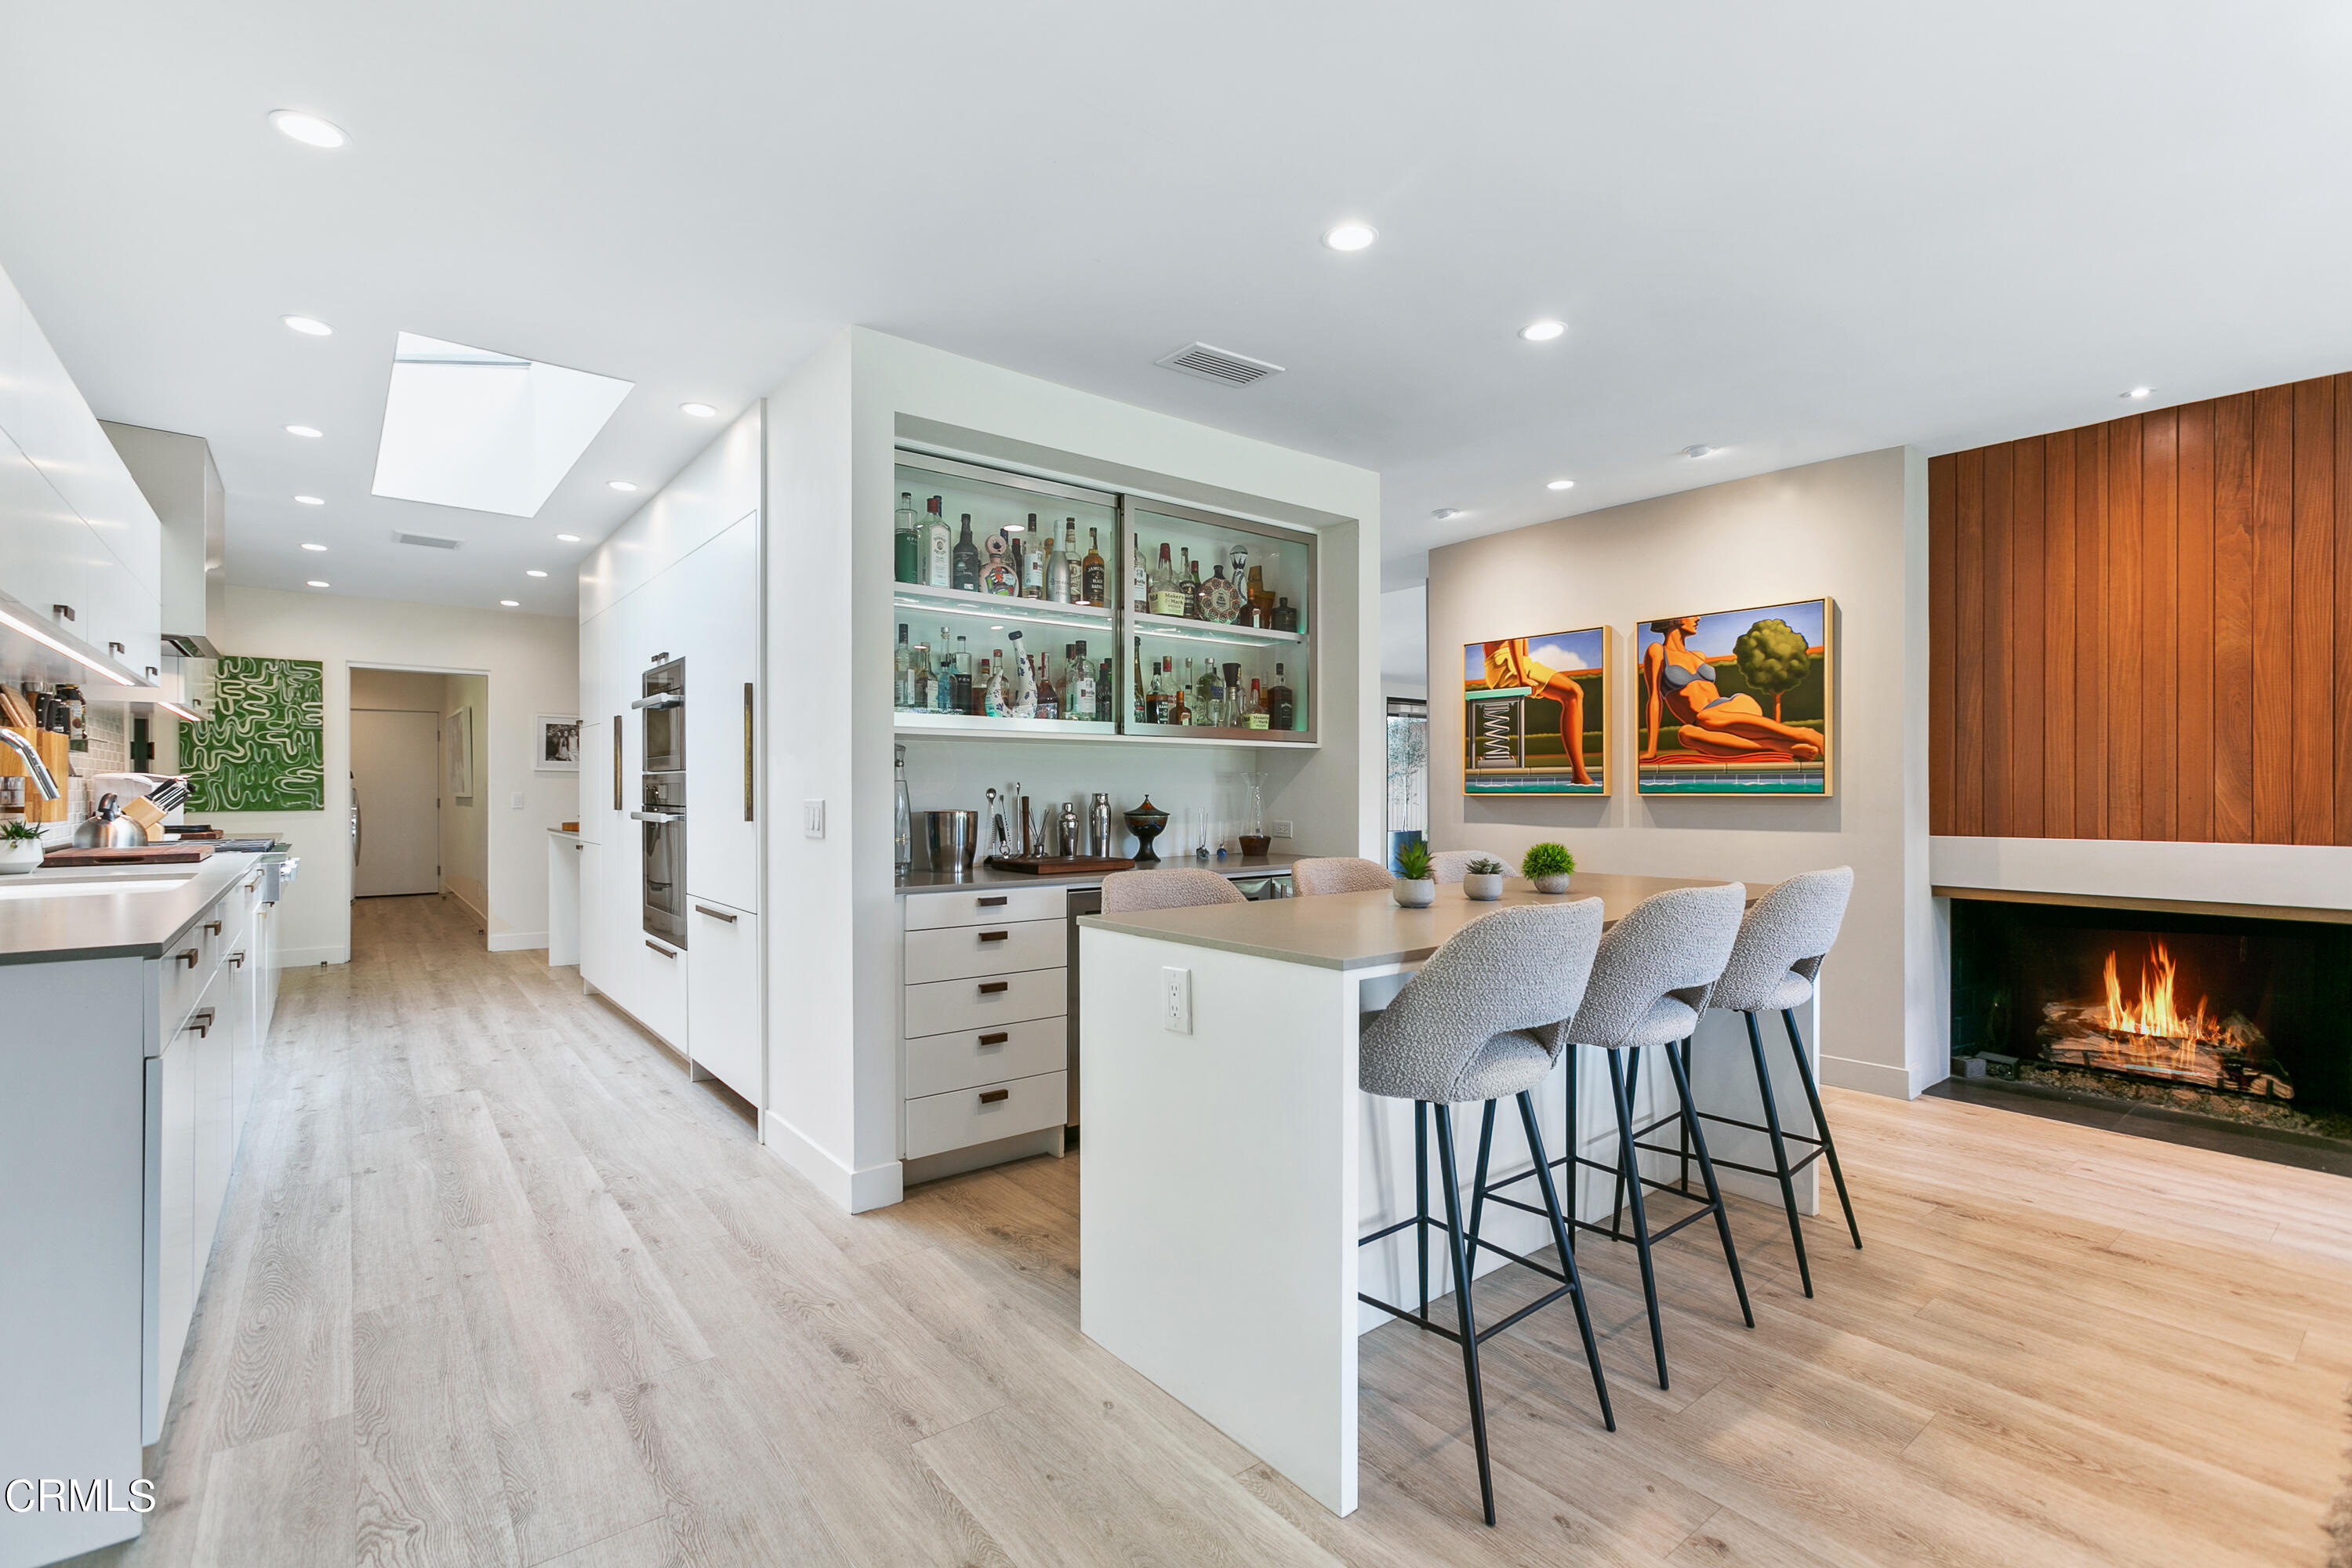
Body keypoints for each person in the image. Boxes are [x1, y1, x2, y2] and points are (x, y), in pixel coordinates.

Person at [1639, 616, 1821, 764]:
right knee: (1686, 733)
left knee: (1707, 717)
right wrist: (1651, 750)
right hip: (1705, 723)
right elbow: (1654, 699)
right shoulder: (1657, 651)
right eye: (1692, 616)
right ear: (1674, 621)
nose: (1698, 618)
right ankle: (1783, 747)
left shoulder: (1699, 656)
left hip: (1733, 706)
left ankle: (1803, 733)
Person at [1480, 637, 1592, 786]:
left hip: (1510, 661)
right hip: (1505, 663)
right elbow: (1515, 635)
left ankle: (1580, 774)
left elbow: (1521, 640)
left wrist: (1525, 666)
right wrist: (1522, 677)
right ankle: (1580, 775)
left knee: (1573, 693)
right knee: (1573, 692)